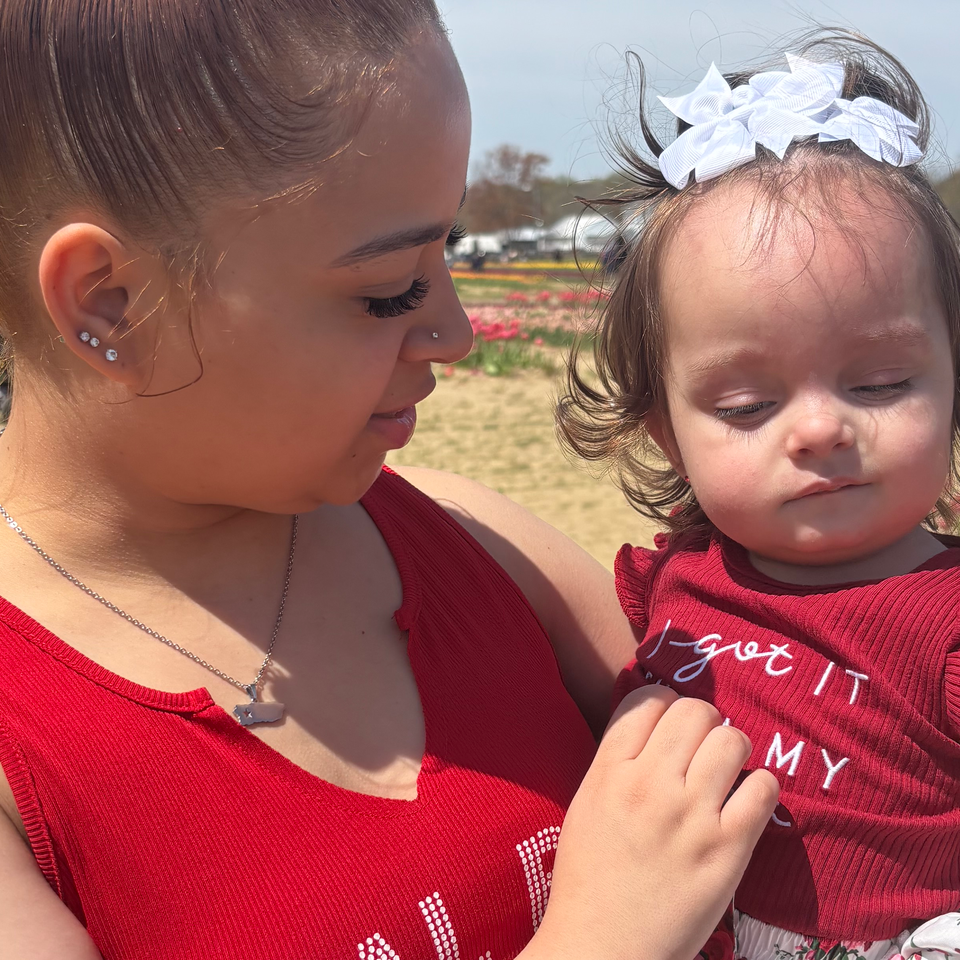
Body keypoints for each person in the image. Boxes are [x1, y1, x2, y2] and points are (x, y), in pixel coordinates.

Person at [0, 2, 780, 958]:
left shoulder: (473, 542)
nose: (454, 331)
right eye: (389, 288)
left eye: (446, 252)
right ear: (112, 302)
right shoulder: (26, 752)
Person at [559, 32, 960, 960]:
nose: (819, 429)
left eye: (880, 384)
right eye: (746, 405)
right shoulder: (674, 582)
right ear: (667, 432)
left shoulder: (944, 625)